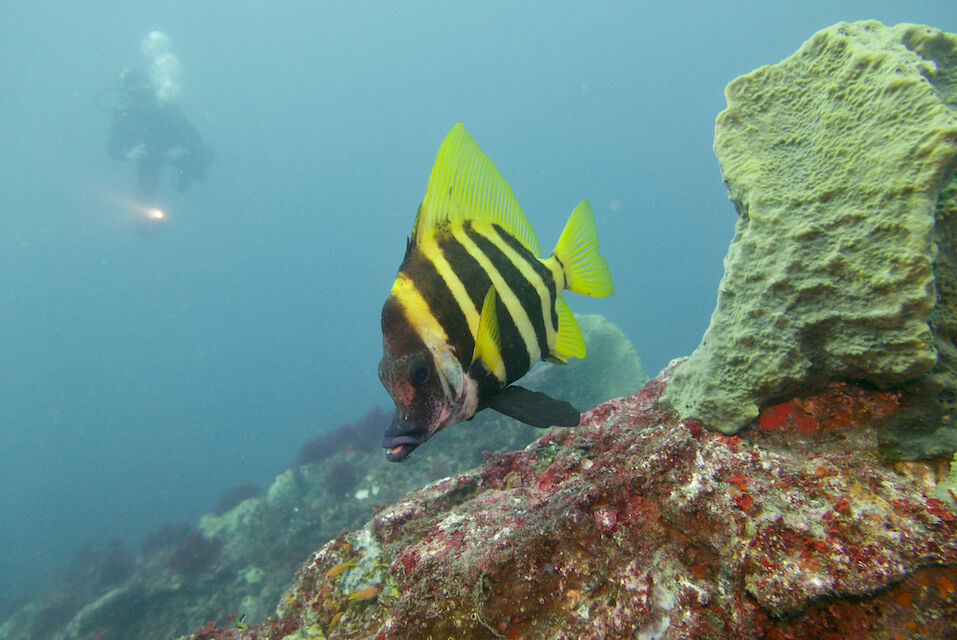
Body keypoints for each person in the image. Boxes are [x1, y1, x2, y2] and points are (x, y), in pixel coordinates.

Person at [107, 70, 212, 203]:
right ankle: (147, 213)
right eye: (133, 84)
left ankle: (182, 177)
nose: (140, 87)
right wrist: (127, 155)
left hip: (175, 150)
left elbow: (193, 135)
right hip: (148, 156)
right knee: (145, 195)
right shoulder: (124, 114)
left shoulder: (166, 107)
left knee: (202, 163)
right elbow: (112, 147)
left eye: (142, 82)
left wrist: (185, 151)